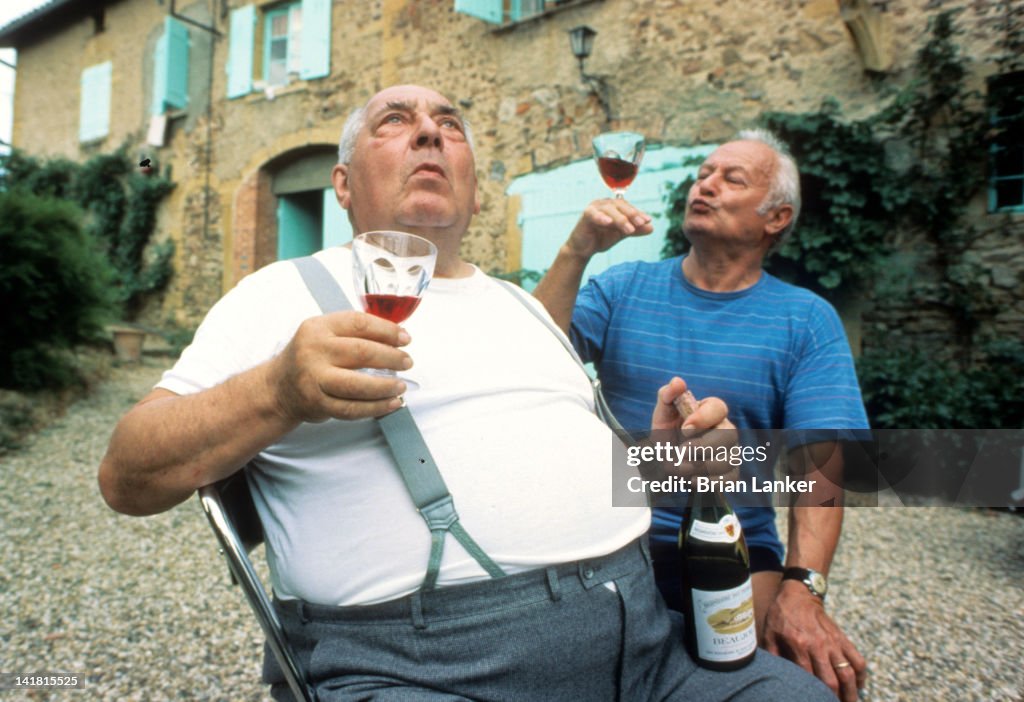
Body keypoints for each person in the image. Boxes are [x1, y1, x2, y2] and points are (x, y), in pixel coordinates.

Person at [99, 86, 834, 702]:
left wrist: (669, 464)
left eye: (449, 126)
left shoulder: (521, 307)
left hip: (645, 650)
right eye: (397, 122)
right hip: (426, 672)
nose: (429, 132)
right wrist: (276, 391)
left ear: (475, 190)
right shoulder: (281, 294)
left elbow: (568, 472)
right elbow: (126, 477)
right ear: (345, 185)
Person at [533, 129, 870, 702]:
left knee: (802, 678)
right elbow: (528, 353)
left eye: (730, 178)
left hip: (734, 541)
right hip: (608, 536)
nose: (705, 185)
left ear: (776, 217)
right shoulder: (621, 288)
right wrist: (577, 250)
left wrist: (803, 589)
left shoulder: (806, 319)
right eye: (702, 174)